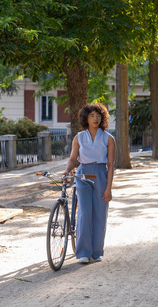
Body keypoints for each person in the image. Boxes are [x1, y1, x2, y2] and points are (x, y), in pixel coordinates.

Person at [63, 103, 116, 264]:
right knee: (85, 212)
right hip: (83, 174)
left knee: (100, 214)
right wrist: (66, 171)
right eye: (92, 116)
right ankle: (83, 252)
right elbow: (73, 158)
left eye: (98, 116)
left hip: (101, 174)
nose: (95, 119)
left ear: (103, 119)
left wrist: (109, 188)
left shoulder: (109, 138)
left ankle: (97, 251)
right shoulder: (79, 137)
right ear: (86, 118)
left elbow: (111, 165)